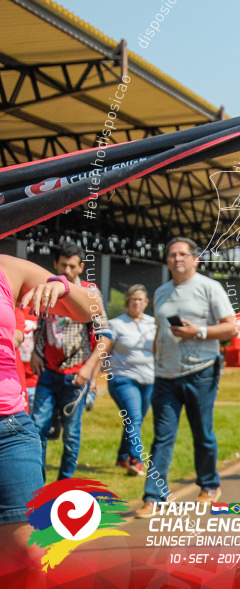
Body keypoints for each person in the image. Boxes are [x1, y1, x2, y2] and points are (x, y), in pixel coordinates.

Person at [0, 254, 106, 565]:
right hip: (47, 380)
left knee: (29, 556)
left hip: (9, 428)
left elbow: (93, 308)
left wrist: (63, 287)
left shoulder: (7, 267)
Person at [136, 237, 237, 517]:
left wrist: (199, 332)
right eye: (172, 254)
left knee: (201, 432)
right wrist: (155, 362)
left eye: (182, 254)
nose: (177, 258)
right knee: (162, 437)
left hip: (201, 370)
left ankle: (209, 485)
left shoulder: (209, 287)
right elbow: (160, 331)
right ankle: (154, 497)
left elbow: (231, 328)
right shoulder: (161, 292)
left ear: (195, 259)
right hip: (165, 376)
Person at [30, 240, 111, 482]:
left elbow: (105, 336)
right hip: (48, 371)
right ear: (55, 264)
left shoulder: (89, 293)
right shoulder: (46, 289)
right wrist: (35, 351)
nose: (66, 270)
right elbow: (40, 325)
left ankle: (64, 485)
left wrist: (90, 370)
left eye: (72, 266)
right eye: (63, 264)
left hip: (76, 375)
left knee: (71, 435)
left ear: (80, 268)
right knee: (37, 429)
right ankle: (38, 483)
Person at [76, 284, 155, 476]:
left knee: (134, 420)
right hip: (122, 379)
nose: (137, 303)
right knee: (134, 417)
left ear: (146, 302)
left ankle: (123, 456)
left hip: (149, 380)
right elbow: (101, 353)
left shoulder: (153, 324)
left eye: (140, 300)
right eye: (133, 299)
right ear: (127, 301)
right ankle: (136, 460)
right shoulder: (116, 324)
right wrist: (93, 380)